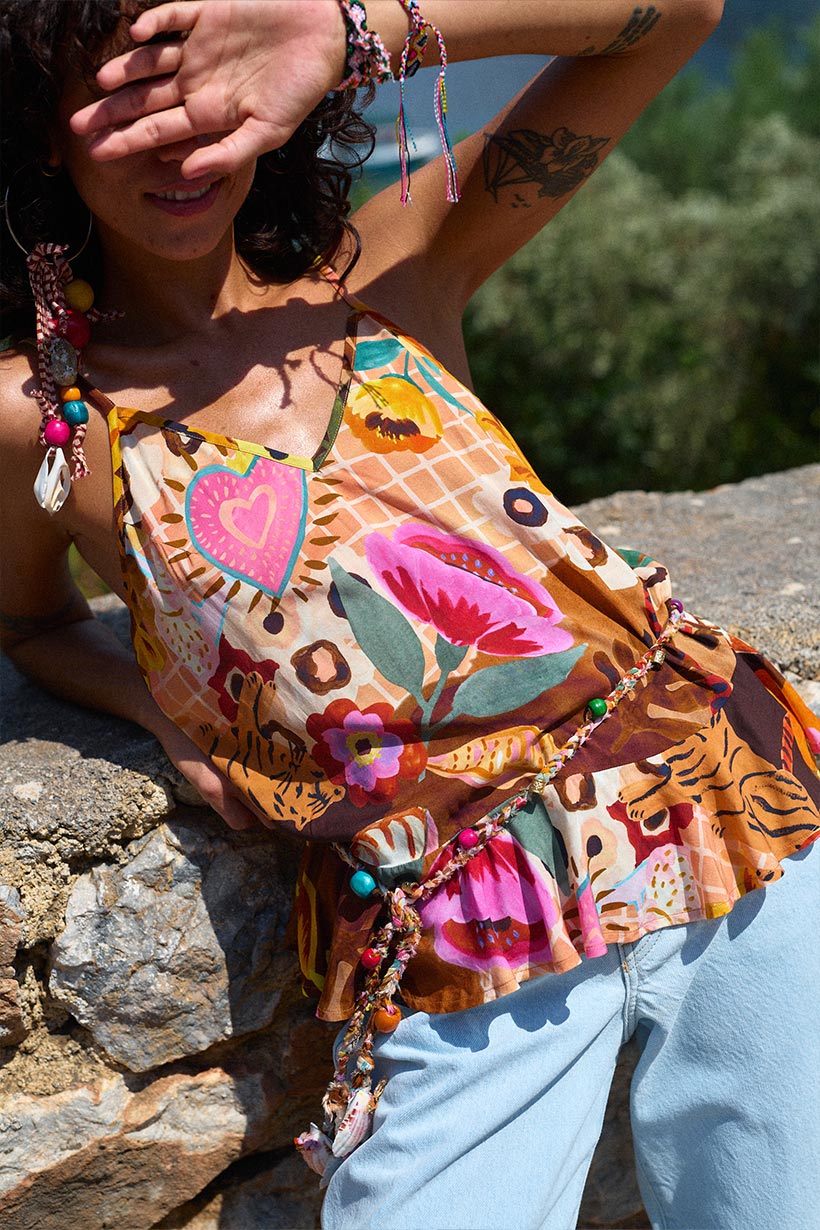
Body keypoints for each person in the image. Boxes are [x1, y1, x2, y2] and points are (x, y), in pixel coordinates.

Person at [1, 3, 818, 1228]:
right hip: (445, 912)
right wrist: (164, 705)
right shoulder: (40, 416)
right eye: (121, 104)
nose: (180, 139)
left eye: (200, 83)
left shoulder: (389, 267)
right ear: (40, 137)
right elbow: (29, 623)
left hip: (731, 811)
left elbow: (673, 14)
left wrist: (346, 28)